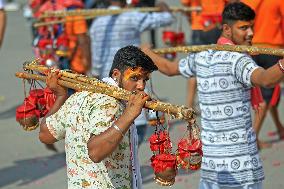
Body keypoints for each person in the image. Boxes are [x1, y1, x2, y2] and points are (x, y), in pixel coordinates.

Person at [142, 2, 284, 188]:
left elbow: (169, 69)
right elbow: (265, 79)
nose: (250, 33)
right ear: (226, 29)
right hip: (241, 169)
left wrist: (147, 52)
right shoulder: (239, 60)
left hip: (212, 170)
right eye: (243, 28)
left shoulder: (203, 56)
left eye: (251, 27)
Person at [39, 45, 157, 189]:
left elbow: (45, 134)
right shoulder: (111, 104)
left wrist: (61, 96)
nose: (141, 86)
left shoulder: (80, 96)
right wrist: (130, 115)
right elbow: (95, 152)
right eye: (135, 78)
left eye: (145, 79)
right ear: (116, 74)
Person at [89, 0, 173, 146]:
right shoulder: (132, 16)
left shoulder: (98, 21)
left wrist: (97, 80)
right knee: (135, 125)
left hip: (108, 81)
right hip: (132, 77)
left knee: (113, 121)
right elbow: (166, 19)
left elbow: (96, 61)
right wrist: (164, 8)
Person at [241, 0, 284, 149]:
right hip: (273, 50)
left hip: (253, 49)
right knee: (266, 95)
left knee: (266, 92)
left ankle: (280, 128)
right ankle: (252, 138)